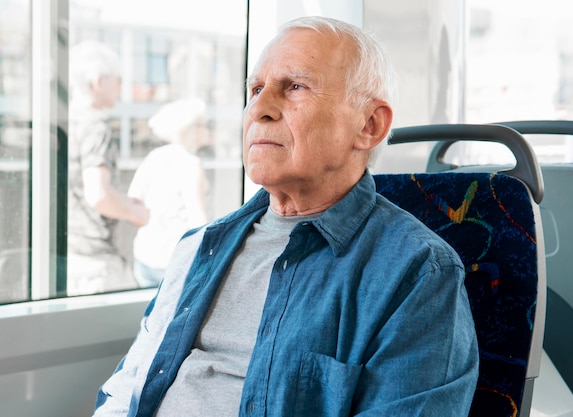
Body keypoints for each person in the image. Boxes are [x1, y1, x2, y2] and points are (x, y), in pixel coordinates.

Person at [94, 16, 479, 416]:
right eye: (256, 89)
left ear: (369, 125)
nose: (259, 108)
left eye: (294, 87)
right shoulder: (198, 247)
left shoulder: (416, 274)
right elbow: (126, 390)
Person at [67, 40, 149, 296]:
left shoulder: (66, 119)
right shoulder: (95, 122)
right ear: (98, 82)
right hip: (95, 261)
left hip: (68, 253)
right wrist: (135, 212)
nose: (120, 86)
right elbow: (98, 194)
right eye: (118, 79)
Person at [127, 98, 209, 287]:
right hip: (174, 259)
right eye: (204, 125)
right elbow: (197, 218)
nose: (207, 130)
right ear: (191, 130)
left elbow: (134, 203)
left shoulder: (155, 157)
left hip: (145, 256)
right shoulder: (190, 164)